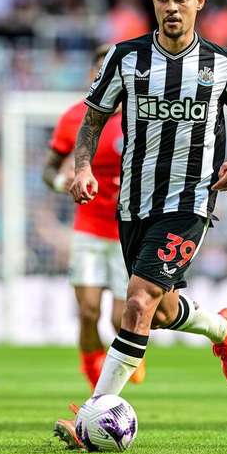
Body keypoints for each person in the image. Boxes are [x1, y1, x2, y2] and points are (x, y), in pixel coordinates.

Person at [54, 0, 227, 449]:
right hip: (132, 205)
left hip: (190, 203)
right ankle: (222, 326)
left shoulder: (223, 64)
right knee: (160, 306)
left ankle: (91, 417)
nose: (171, 8)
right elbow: (92, 121)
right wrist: (83, 166)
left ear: (199, 2)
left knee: (136, 302)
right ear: (153, 2)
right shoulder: (124, 59)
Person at [43, 45, 146, 390]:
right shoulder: (75, 117)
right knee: (88, 312)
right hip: (88, 228)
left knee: (121, 317)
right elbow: (48, 170)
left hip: (126, 230)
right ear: (93, 76)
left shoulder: (139, 116)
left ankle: (132, 349)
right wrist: (63, 182)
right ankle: (96, 386)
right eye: (101, 71)